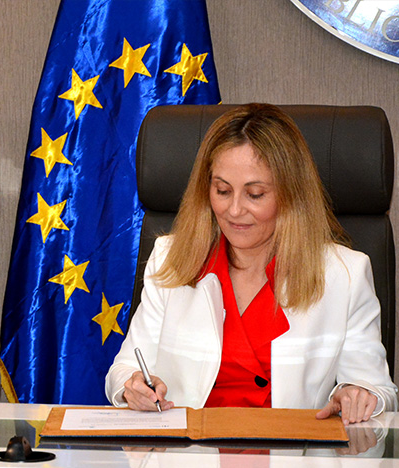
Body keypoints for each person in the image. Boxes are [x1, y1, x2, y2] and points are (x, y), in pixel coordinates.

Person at [105, 103, 397, 425]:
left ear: (291, 194)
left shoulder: (345, 274)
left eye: (255, 194)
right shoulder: (170, 258)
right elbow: (124, 371)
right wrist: (132, 387)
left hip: (289, 465)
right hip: (187, 460)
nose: (234, 210)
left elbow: (379, 389)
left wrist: (357, 392)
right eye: (222, 190)